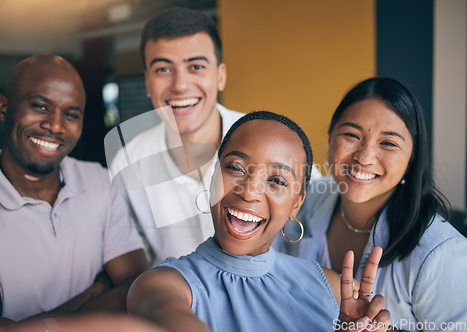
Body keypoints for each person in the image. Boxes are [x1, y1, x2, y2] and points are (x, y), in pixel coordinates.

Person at [127, 111, 391, 332]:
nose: (249, 191)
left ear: (296, 205)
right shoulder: (161, 286)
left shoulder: (332, 289)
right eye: (236, 168)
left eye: (277, 181)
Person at [108, 8, 322, 266]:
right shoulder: (128, 162)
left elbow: (319, 236)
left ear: (220, 76)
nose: (180, 85)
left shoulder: (278, 144)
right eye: (163, 69)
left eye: (196, 66)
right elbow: (133, 265)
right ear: (147, 83)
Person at [0, 54, 148, 331]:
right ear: (3, 108)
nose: (54, 125)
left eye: (71, 114)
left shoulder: (98, 181)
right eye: (40, 106)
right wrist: (95, 292)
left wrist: (25, 327)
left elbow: (137, 289)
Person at [276, 77, 467, 332]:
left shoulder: (440, 254)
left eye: (388, 143)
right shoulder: (303, 202)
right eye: (351, 135)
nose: (364, 157)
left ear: (412, 158)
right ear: (330, 136)